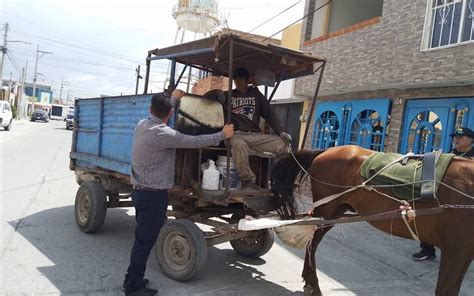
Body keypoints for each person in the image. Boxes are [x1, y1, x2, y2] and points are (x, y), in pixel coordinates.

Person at [123, 89, 234, 296]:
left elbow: (164, 111)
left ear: (150, 109)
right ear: (171, 114)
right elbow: (193, 142)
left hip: (141, 192)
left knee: (143, 239)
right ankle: (132, 286)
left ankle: (134, 279)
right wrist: (222, 135)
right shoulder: (164, 134)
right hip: (153, 195)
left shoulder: (142, 125)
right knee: (144, 242)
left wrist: (174, 98)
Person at [206, 68, 292, 189]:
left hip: (255, 136)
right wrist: (215, 92)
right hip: (234, 135)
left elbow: (270, 115)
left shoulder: (257, 95)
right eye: (236, 81)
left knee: (283, 145)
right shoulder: (228, 95)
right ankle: (248, 181)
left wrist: (282, 131)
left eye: (241, 80)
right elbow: (206, 97)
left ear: (247, 81)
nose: (239, 83)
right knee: (239, 145)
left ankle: (282, 180)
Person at [412, 127, 474, 261]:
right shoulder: (450, 154)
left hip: (467, 200)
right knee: (430, 217)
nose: (456, 139)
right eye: (455, 136)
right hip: (446, 195)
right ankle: (427, 249)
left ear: (471, 140)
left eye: (460, 137)